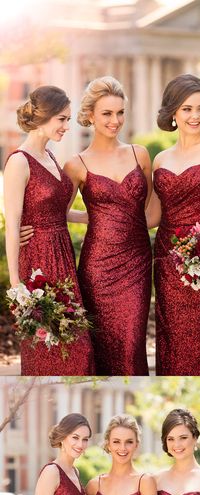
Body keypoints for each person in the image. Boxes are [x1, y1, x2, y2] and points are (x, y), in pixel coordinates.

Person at [146, 74, 200, 375]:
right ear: (173, 111)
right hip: (168, 261)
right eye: (187, 109)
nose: (195, 116)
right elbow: (153, 216)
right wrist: (90, 216)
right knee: (175, 336)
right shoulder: (160, 160)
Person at [63, 76, 153, 375]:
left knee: (131, 344)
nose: (115, 121)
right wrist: (92, 217)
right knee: (101, 349)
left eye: (119, 113)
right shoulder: (76, 164)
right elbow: (58, 214)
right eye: (107, 113)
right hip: (97, 269)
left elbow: (151, 212)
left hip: (137, 265)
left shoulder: (139, 154)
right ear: (90, 115)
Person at [4, 85, 95, 375]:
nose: (68, 126)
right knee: (48, 343)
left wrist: (101, 217)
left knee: (76, 342)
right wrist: (17, 284)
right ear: (44, 116)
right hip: (37, 264)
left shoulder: (52, 157)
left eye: (68, 119)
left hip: (63, 258)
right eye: (62, 119)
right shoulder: (19, 161)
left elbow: (62, 213)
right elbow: (13, 223)